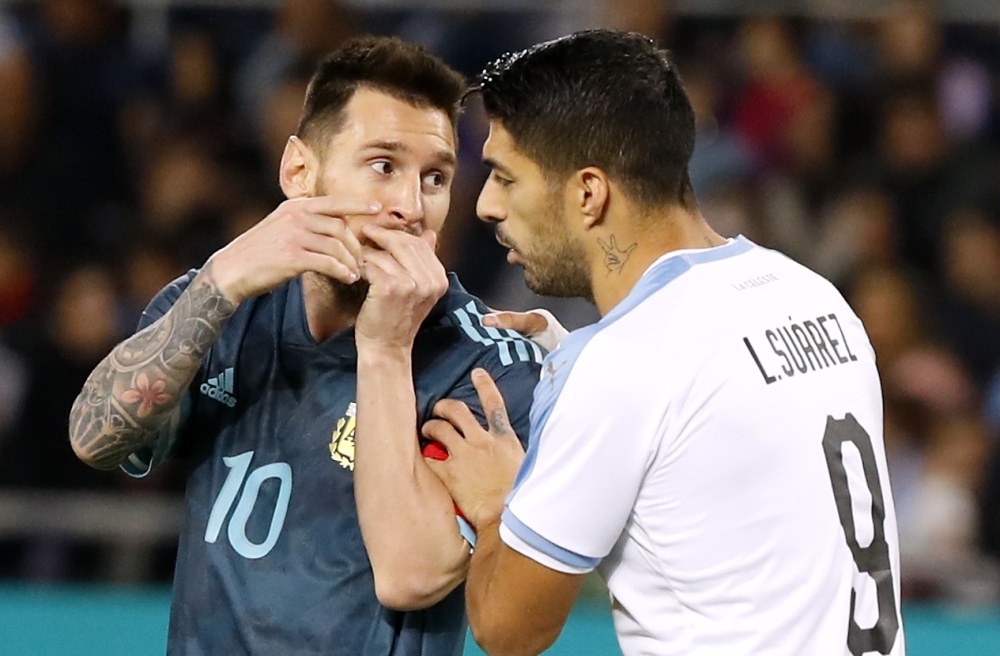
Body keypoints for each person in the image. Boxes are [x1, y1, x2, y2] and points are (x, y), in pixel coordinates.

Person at [424, 30, 905, 656]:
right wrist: (573, 358)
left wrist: (495, 505)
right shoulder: (812, 294)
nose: (486, 205)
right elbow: (714, 473)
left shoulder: (624, 368)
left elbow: (508, 629)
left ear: (588, 194)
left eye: (506, 177)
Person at [68, 36, 542, 655]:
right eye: (383, 166)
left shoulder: (487, 364)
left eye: (435, 178)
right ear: (299, 171)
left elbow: (414, 574)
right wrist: (221, 278)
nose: (409, 206)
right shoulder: (220, 309)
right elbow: (94, 438)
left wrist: (384, 348)